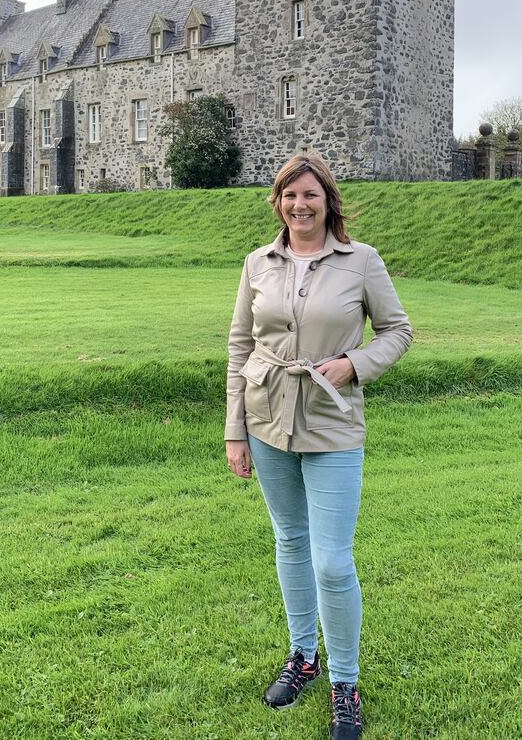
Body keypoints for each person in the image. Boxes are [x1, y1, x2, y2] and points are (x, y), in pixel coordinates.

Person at [225, 154, 412, 740]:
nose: (299, 206)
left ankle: (345, 684)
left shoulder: (361, 261)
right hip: (265, 415)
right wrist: (235, 429)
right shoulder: (258, 262)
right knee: (290, 540)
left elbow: (398, 332)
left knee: (333, 560)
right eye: (288, 196)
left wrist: (353, 366)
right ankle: (303, 656)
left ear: (328, 200)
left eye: (309, 195)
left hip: (333, 422)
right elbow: (239, 346)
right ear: (277, 203)